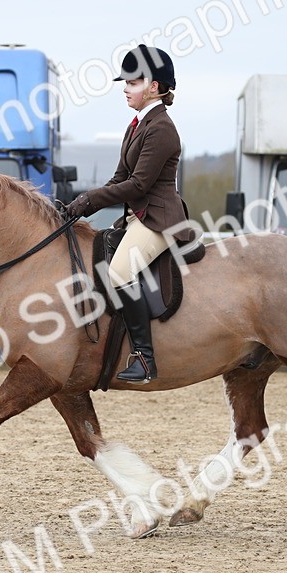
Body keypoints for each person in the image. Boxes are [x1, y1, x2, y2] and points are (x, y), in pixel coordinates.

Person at [64, 45, 197, 383]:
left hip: (158, 219)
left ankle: (145, 357)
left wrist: (89, 200)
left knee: (120, 271)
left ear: (154, 86)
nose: (125, 88)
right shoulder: (137, 124)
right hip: (138, 216)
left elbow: (138, 185)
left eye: (133, 83)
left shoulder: (162, 129)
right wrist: (80, 205)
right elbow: (120, 178)